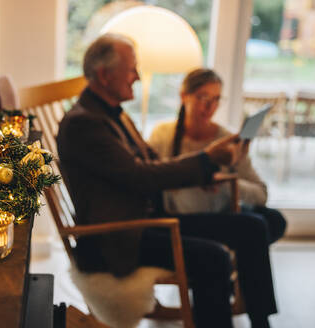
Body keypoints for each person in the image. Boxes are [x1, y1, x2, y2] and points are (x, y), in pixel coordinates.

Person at [57, 33, 277, 328]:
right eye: (132, 68)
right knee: (214, 259)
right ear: (105, 75)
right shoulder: (85, 124)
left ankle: (261, 321)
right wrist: (207, 158)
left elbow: (152, 165)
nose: (137, 76)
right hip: (121, 237)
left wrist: (209, 173)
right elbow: (140, 177)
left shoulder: (114, 116)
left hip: (147, 219)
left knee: (253, 226)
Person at [149, 68, 286, 244]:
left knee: (274, 220)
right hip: (182, 215)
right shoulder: (162, 135)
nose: (210, 107)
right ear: (184, 96)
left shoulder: (227, 140)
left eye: (216, 99)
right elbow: (152, 178)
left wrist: (228, 183)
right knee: (255, 227)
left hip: (219, 209)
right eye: (203, 98)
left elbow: (261, 194)